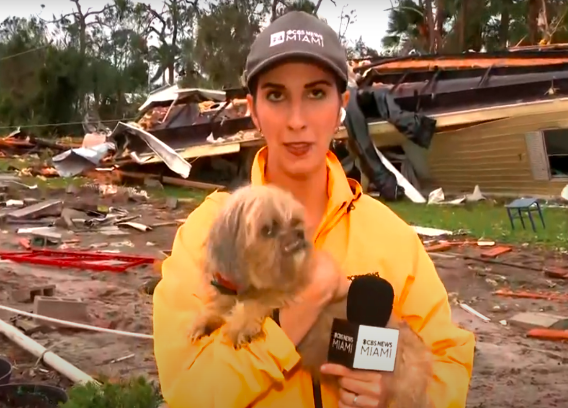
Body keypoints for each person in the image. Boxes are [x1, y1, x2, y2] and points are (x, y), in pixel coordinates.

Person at [153, 11, 475, 408]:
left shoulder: (391, 237)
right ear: (253, 110)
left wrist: (402, 393)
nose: (297, 120)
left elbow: (448, 359)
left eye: (316, 93)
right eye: (276, 96)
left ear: (341, 104)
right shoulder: (208, 232)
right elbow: (188, 393)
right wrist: (294, 316)